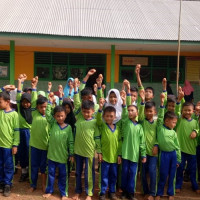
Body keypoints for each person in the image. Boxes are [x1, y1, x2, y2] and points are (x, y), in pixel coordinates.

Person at [73, 78, 101, 200]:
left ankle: (89, 193)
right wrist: (75, 88)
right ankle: (78, 191)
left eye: (88, 112)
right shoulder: (78, 118)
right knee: (78, 173)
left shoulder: (95, 121)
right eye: (84, 112)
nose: (86, 114)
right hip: (77, 150)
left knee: (89, 174)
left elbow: (97, 137)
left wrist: (98, 150)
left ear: (93, 111)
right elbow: (77, 102)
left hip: (89, 151)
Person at [43, 102, 74, 200]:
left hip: (62, 157)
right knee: (50, 174)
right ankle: (49, 191)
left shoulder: (68, 128)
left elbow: (71, 142)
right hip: (51, 156)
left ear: (65, 116)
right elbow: (47, 114)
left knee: (63, 176)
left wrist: (71, 153)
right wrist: (49, 103)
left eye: (62, 116)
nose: (60, 118)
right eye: (57, 116)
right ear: (54, 116)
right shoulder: (53, 124)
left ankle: (63, 193)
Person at [120, 90, 146, 200]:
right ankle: (124, 192)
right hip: (125, 154)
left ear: (137, 113)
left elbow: (142, 142)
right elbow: (125, 112)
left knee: (133, 174)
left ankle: (131, 192)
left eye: (132, 110)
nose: (130, 112)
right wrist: (125, 101)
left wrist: (143, 154)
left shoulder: (140, 127)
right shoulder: (126, 122)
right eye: (129, 110)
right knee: (125, 173)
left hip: (135, 156)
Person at [97, 98, 122, 200]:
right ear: (104, 116)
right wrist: (100, 108)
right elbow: (98, 120)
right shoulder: (102, 126)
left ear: (115, 117)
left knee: (113, 176)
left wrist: (119, 155)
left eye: (111, 116)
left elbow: (120, 143)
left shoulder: (118, 129)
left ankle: (112, 192)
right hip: (105, 157)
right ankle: (102, 192)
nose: (109, 118)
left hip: (114, 157)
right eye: (107, 116)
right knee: (104, 176)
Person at [155, 108, 181, 200]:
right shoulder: (160, 128)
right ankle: (159, 193)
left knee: (172, 175)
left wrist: (178, 159)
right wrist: (161, 105)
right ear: (166, 121)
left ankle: (171, 193)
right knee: (162, 174)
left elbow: (177, 147)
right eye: (173, 122)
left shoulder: (174, 133)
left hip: (173, 155)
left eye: (175, 122)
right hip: (163, 155)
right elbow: (160, 118)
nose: (175, 124)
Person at [29, 77, 49, 192]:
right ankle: (33, 185)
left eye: (45, 107)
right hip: (34, 145)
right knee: (34, 166)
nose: (44, 109)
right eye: (41, 107)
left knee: (44, 168)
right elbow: (33, 101)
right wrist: (34, 87)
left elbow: (51, 108)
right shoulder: (35, 114)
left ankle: (43, 185)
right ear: (37, 107)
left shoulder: (50, 116)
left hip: (45, 146)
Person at [175, 99, 200, 193]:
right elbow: (177, 110)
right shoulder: (179, 120)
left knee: (193, 170)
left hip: (192, 151)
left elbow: (198, 130)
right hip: (180, 150)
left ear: (193, 111)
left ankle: (195, 186)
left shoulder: (195, 122)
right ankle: (178, 185)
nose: (187, 112)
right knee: (180, 169)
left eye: (189, 110)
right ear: (182, 111)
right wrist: (180, 99)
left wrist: (196, 132)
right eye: (185, 110)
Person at [138, 89, 159, 200]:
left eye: (151, 111)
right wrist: (142, 101)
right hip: (143, 152)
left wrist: (156, 145)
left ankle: (152, 192)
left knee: (152, 171)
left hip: (153, 152)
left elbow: (158, 136)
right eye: (147, 111)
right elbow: (140, 114)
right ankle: (145, 191)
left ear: (155, 112)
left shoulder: (156, 123)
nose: (149, 113)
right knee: (143, 173)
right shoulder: (142, 121)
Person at [0, 89, 19, 197]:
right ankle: (2, 182)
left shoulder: (14, 114)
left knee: (8, 166)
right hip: (0, 145)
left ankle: (8, 184)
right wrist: (3, 89)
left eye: (0, 102)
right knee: (0, 165)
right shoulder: (0, 112)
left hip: (8, 146)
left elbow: (16, 131)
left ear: (7, 101)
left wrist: (15, 144)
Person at [17, 74, 33, 182]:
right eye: (24, 102)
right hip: (20, 132)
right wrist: (20, 82)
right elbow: (18, 94)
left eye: (28, 102)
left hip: (29, 133)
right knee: (21, 152)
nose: (26, 104)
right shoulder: (19, 108)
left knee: (29, 151)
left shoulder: (33, 110)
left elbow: (35, 97)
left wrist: (34, 85)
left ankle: (30, 172)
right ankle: (23, 172)